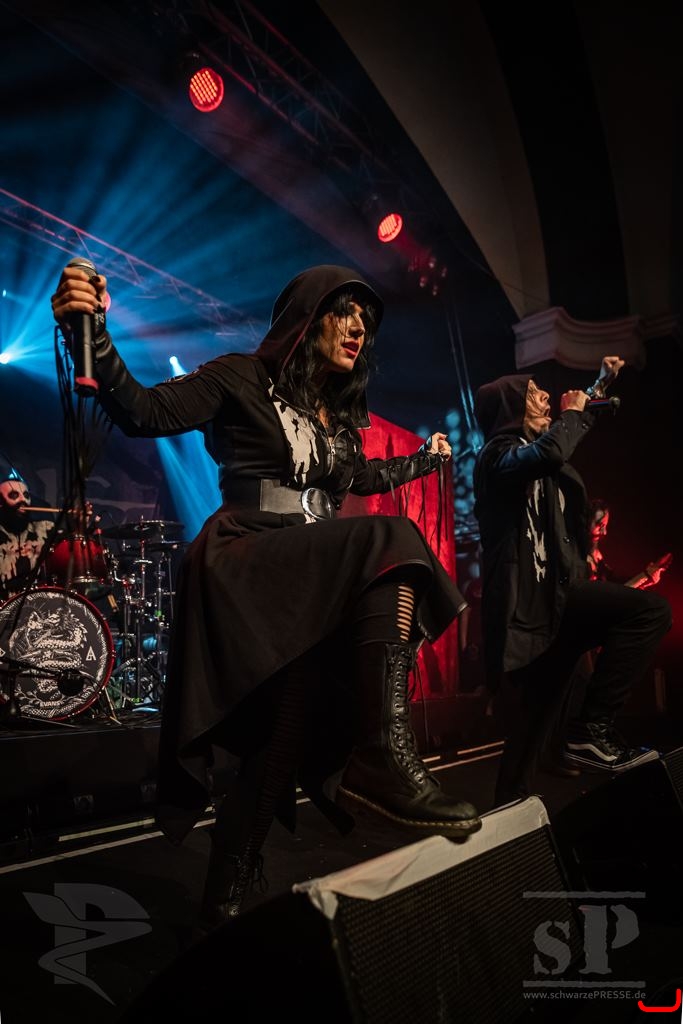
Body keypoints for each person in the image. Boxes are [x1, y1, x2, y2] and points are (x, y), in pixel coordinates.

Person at [51, 261, 482, 928]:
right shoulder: (240, 376)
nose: (359, 328)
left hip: (308, 574)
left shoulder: (337, 422)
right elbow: (144, 410)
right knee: (391, 539)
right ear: (306, 320)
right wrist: (95, 335)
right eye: (344, 312)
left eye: (366, 322)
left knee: (283, 732)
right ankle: (379, 755)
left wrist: (426, 459)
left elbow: (364, 478)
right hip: (248, 555)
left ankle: (228, 884)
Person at [472, 364, 672, 806]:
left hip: (559, 601)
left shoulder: (543, 460)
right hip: (531, 605)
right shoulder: (496, 457)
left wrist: (597, 390)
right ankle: (590, 729)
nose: (546, 396)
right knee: (650, 612)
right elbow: (548, 452)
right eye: (533, 393)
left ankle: (511, 805)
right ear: (510, 409)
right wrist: (574, 414)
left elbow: (555, 452)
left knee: (537, 714)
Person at [0, 460, 55, 602]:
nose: (22, 500)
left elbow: (69, 551)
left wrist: (80, 526)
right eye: (14, 495)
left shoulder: (45, 528)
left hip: (42, 605)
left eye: (26, 495)